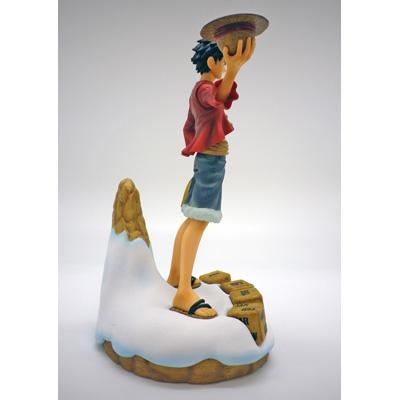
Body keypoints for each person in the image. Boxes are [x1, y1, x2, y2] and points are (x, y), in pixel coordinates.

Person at [168, 37, 256, 319]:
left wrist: (232, 71)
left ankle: (176, 276)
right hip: (210, 163)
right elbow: (217, 97)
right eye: (222, 62)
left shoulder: (200, 88)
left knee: (191, 219)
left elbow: (220, 98)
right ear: (211, 62)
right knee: (199, 220)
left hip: (207, 161)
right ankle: (183, 292)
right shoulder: (204, 89)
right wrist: (234, 70)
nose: (224, 68)